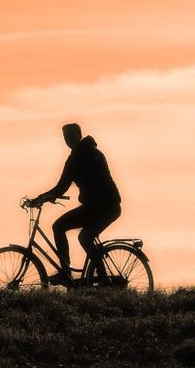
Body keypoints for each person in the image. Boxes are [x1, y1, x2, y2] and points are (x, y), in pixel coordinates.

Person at [30, 123, 122, 286]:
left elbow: (62, 187)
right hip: (95, 207)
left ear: (78, 135)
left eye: (71, 136)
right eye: (66, 137)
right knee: (65, 229)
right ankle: (71, 273)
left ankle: (100, 278)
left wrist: (42, 198)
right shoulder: (82, 155)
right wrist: (43, 197)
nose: (68, 140)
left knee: (81, 235)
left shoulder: (85, 156)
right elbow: (62, 187)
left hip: (106, 206)